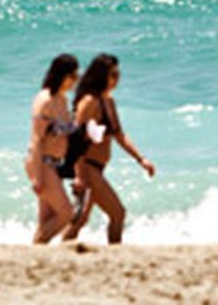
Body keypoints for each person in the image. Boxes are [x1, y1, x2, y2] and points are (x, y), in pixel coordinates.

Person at [62, 53, 155, 245]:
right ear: (101, 76)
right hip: (87, 167)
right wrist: (79, 175)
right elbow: (75, 138)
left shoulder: (108, 102)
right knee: (117, 213)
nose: (116, 79)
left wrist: (141, 159)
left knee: (80, 220)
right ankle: (115, 252)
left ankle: (59, 252)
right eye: (113, 75)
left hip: (98, 167)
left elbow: (119, 135)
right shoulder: (89, 102)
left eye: (118, 74)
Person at [26, 53, 79, 244]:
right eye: (73, 76)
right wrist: (37, 177)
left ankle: (36, 252)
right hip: (42, 162)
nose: (75, 81)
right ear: (61, 75)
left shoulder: (62, 100)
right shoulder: (45, 100)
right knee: (66, 213)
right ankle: (35, 248)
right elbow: (37, 139)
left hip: (56, 164)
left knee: (46, 221)